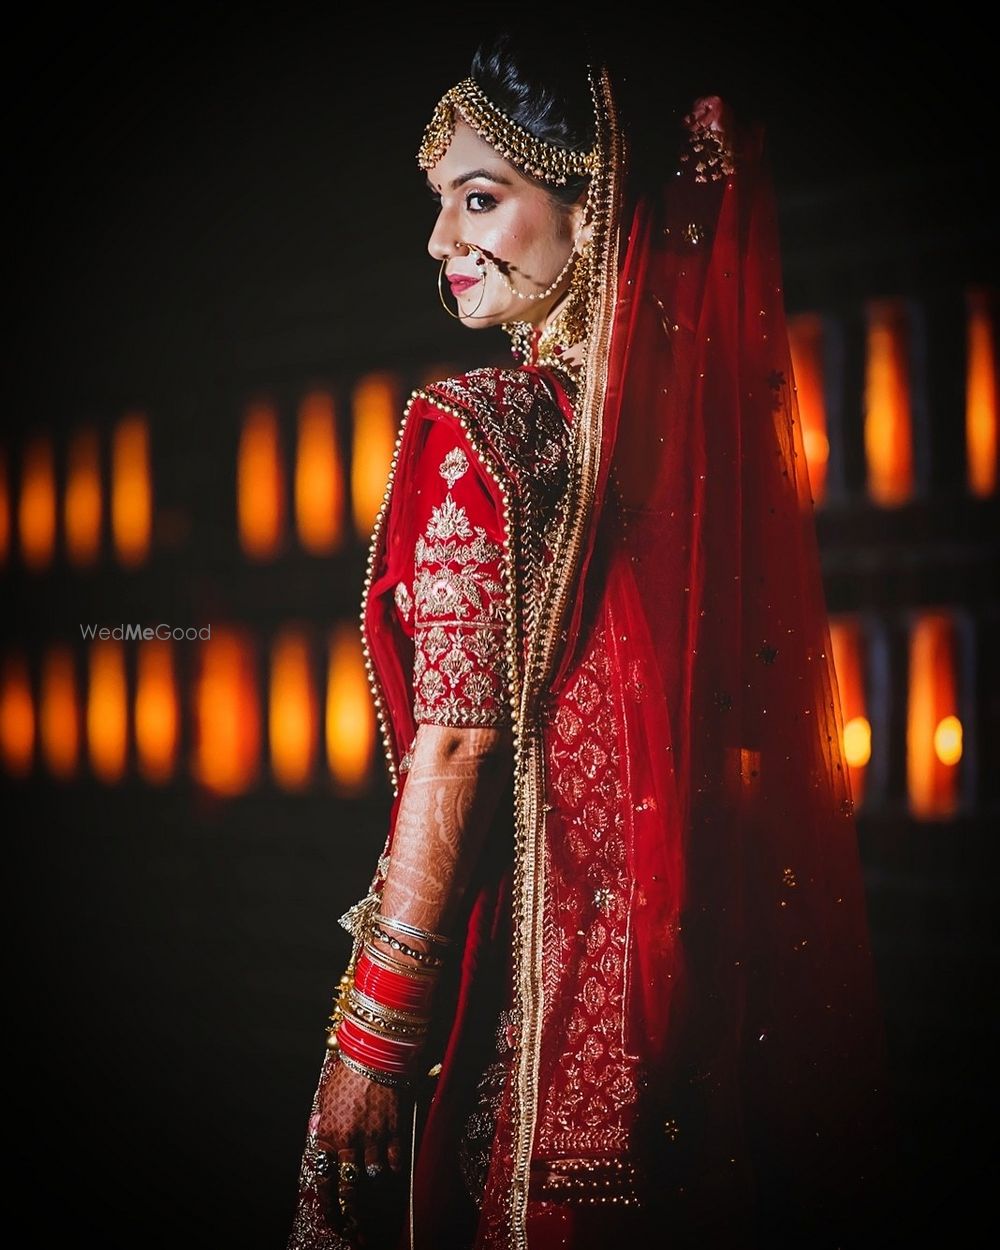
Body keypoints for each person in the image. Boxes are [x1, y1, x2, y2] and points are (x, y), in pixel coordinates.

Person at [287, 30, 897, 1250]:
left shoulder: (476, 428)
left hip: (516, 1033)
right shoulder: (687, 462)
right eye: (439, 204)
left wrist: (375, 1037)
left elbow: (456, 749)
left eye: (479, 198)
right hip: (681, 1045)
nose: (439, 243)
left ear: (592, 200)